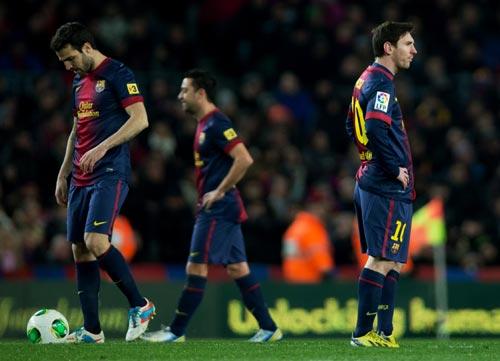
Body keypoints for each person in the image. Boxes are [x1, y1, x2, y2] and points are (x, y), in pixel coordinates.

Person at [142, 69, 282, 343]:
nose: (180, 96)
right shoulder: (204, 123)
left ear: (200, 93)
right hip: (222, 206)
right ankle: (269, 327)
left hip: (217, 208)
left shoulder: (216, 123)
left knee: (195, 267)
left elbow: (244, 158)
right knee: (237, 268)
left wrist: (219, 190)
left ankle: (175, 331)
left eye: (185, 90)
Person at [50, 22, 155, 343]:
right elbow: (75, 128)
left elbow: (141, 119)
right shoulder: (79, 80)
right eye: (63, 63)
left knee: (96, 241)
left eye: (70, 59)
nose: (68, 67)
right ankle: (93, 330)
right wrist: (63, 170)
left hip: (110, 171)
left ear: (86, 47)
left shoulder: (119, 74)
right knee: (80, 249)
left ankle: (141, 305)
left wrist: (102, 147)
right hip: (80, 175)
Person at [345, 21, 417, 347]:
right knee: (381, 258)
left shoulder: (365, 79)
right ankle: (362, 333)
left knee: (393, 259)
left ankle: (384, 332)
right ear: (389, 48)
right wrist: (389, 167)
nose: (413, 50)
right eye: (407, 44)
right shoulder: (382, 84)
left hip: (373, 178)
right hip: (384, 184)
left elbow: (351, 124)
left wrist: (367, 158)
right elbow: (373, 127)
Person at [282, 198, 334, 283]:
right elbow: (319, 255)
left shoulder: (293, 228)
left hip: (291, 278)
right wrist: (327, 271)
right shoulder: (312, 228)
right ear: (315, 209)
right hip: (309, 280)